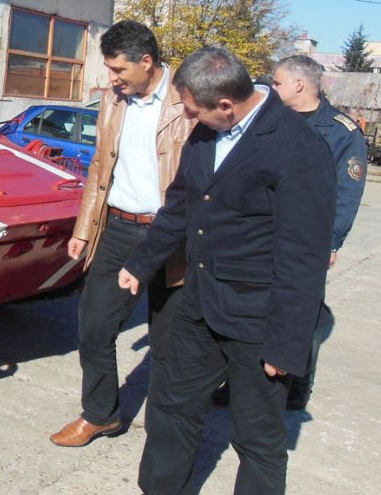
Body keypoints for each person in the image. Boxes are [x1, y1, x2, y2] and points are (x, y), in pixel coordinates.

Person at [118, 46, 335, 495]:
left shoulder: (298, 146)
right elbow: (181, 205)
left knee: (256, 436)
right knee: (172, 406)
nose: (187, 117)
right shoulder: (206, 132)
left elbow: (303, 256)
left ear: (225, 104)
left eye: (193, 109)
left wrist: (287, 345)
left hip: (258, 319)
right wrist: (141, 262)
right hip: (200, 304)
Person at [49, 21, 195, 447]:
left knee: (168, 340)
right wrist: (83, 228)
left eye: (119, 69)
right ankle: (100, 415)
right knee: (95, 326)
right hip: (117, 227)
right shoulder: (114, 101)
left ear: (146, 61)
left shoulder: (187, 101)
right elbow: (100, 165)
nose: (112, 78)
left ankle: (167, 426)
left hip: (172, 237)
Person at [271, 54, 367, 409]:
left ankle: (297, 386)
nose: (272, 88)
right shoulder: (272, 119)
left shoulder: (341, 132)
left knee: (303, 310)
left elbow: (347, 193)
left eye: (277, 82)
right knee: (257, 307)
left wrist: (332, 241)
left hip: (308, 239)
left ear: (298, 84)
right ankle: (243, 380)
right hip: (266, 231)